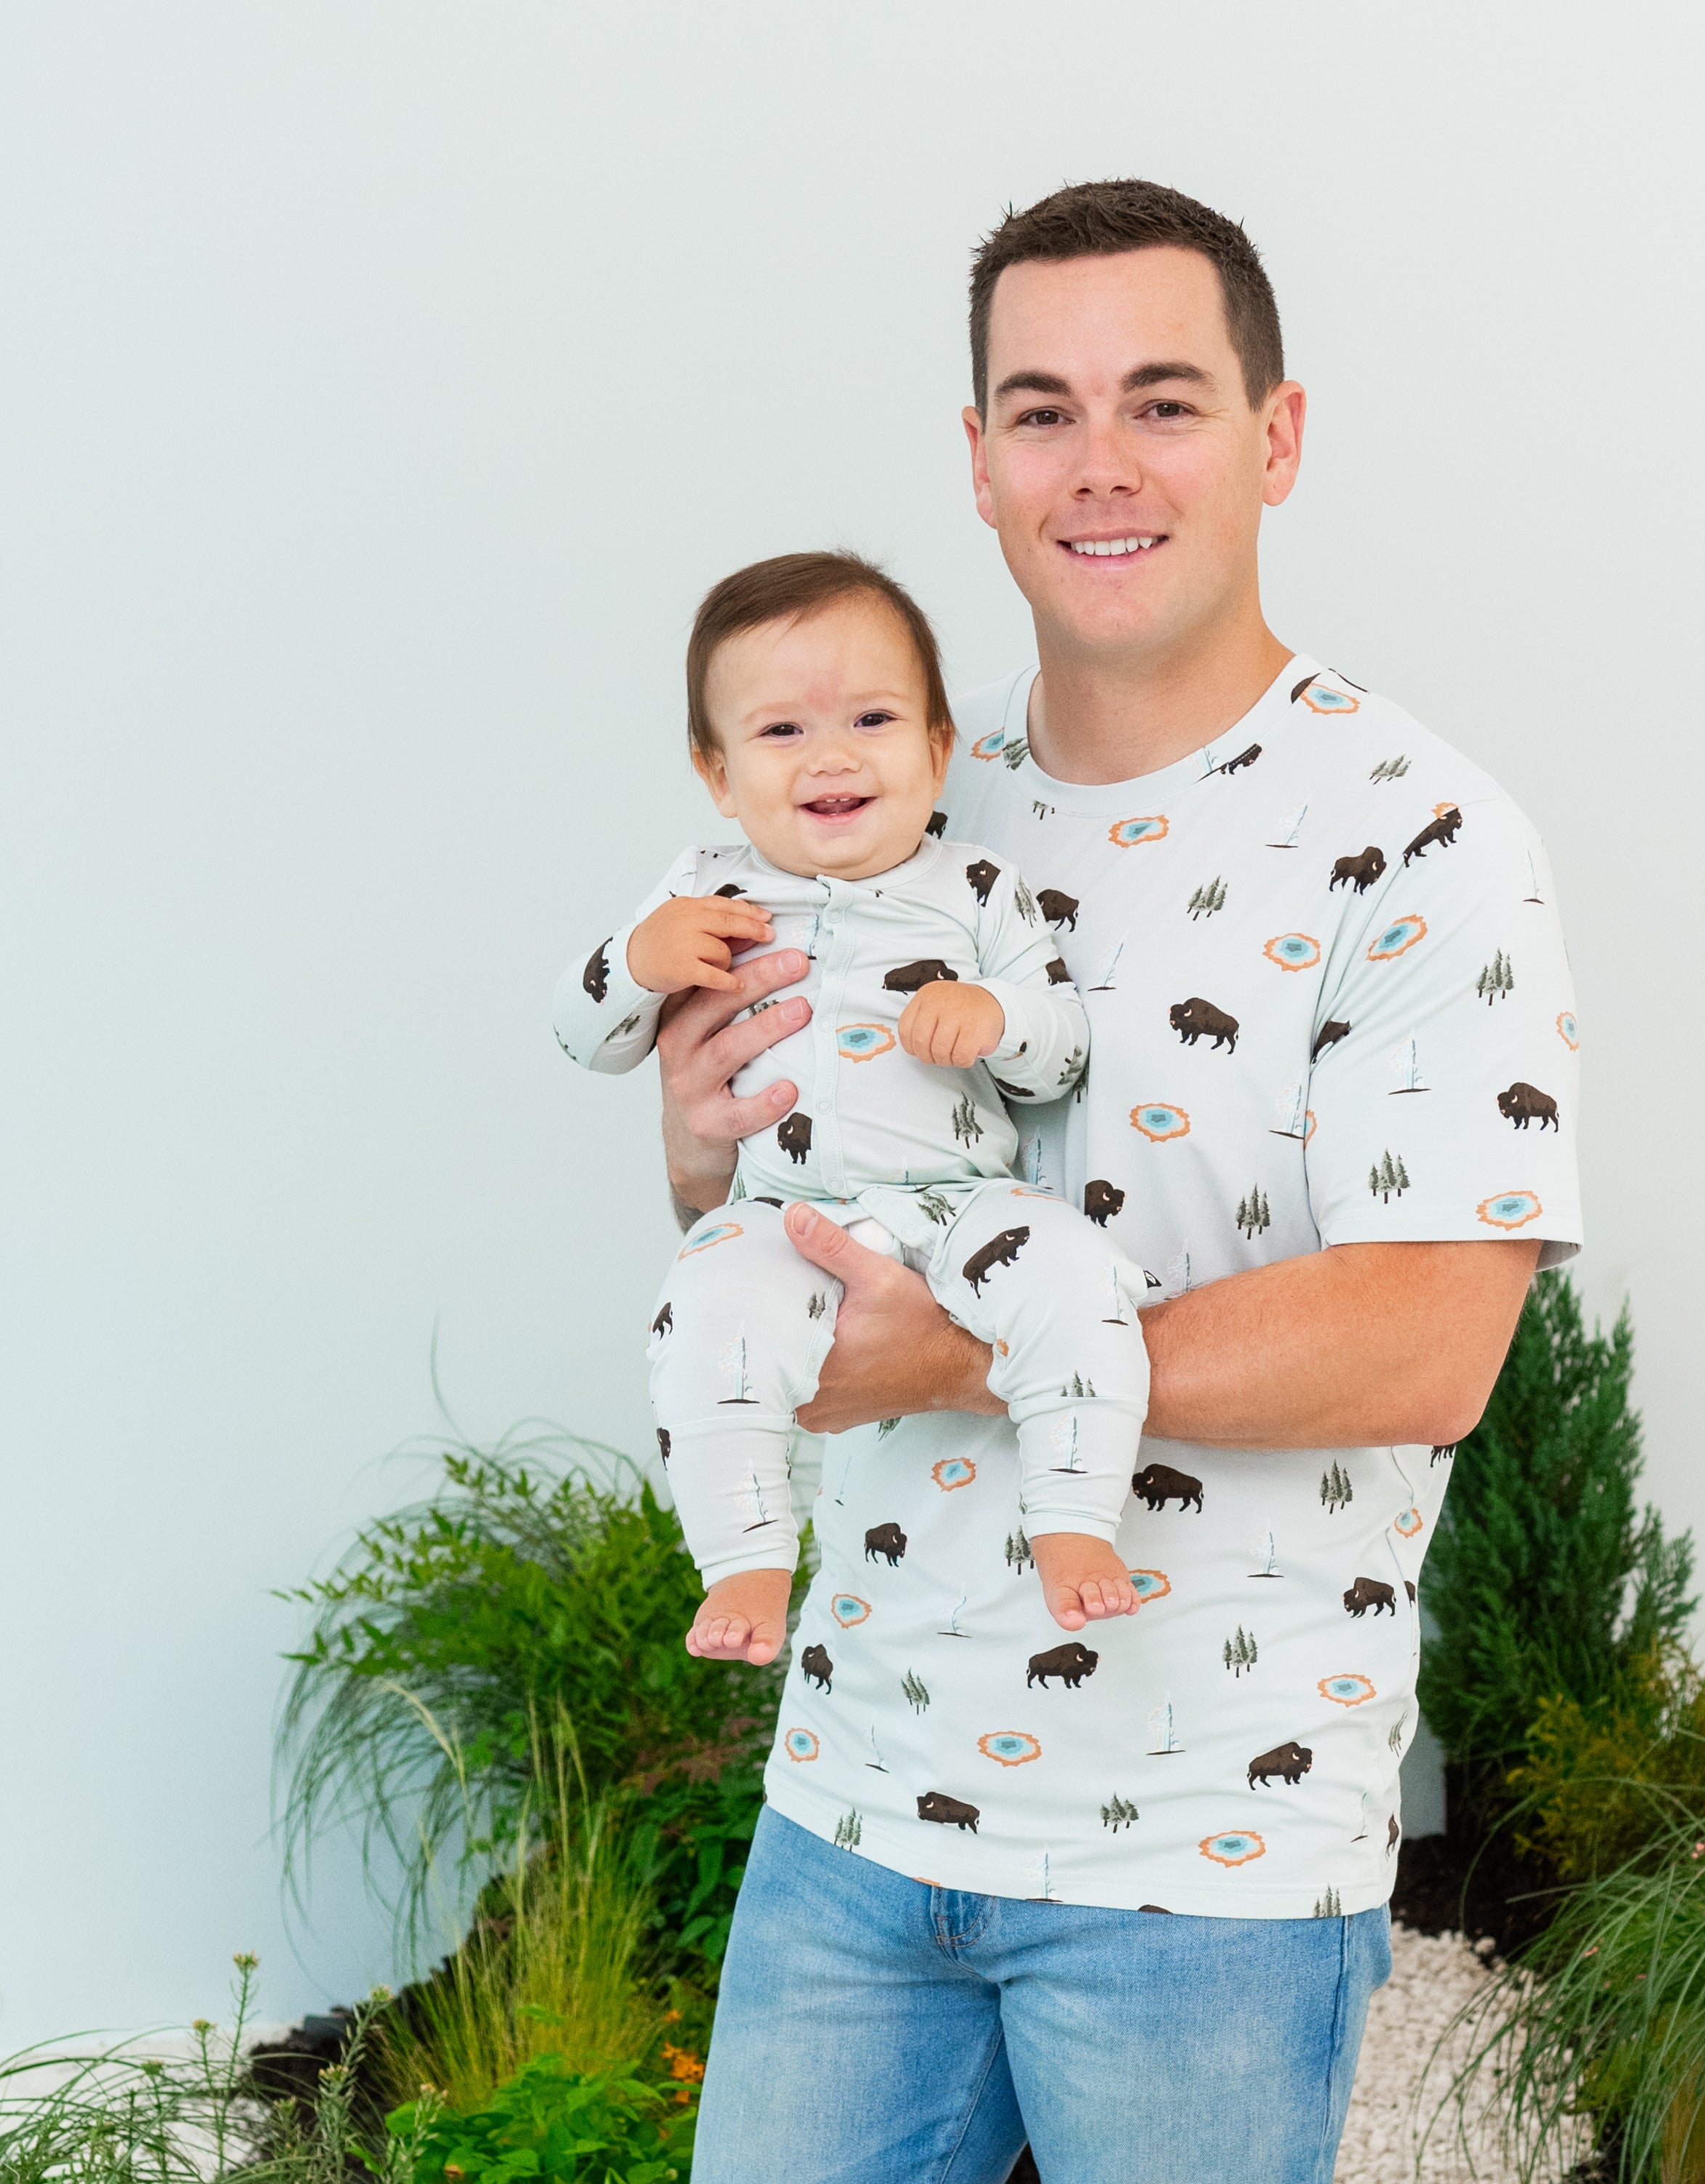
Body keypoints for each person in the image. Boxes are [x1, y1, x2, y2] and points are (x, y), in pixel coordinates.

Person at [656, 181, 1583, 2184]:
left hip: (1204, 1867)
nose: (1100, 465)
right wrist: (702, 1156)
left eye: (1163, 401)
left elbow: (1429, 1342)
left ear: (1279, 437)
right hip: (853, 1808)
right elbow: (800, 1256)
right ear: (975, 464)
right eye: (1041, 409)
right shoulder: (883, 792)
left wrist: (973, 1358)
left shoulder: (1422, 835)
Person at [553, 550, 1150, 1637]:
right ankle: (742, 1557)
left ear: (935, 751)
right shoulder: (704, 888)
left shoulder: (976, 886)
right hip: (786, 1214)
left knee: (1082, 1277)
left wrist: (998, 1018)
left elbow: (1060, 1053)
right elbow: (581, 1039)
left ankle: (1073, 1516)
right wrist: (638, 962)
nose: (831, 755)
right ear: (719, 773)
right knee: (703, 1312)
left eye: (872, 720)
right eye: (781, 731)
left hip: (965, 1202)